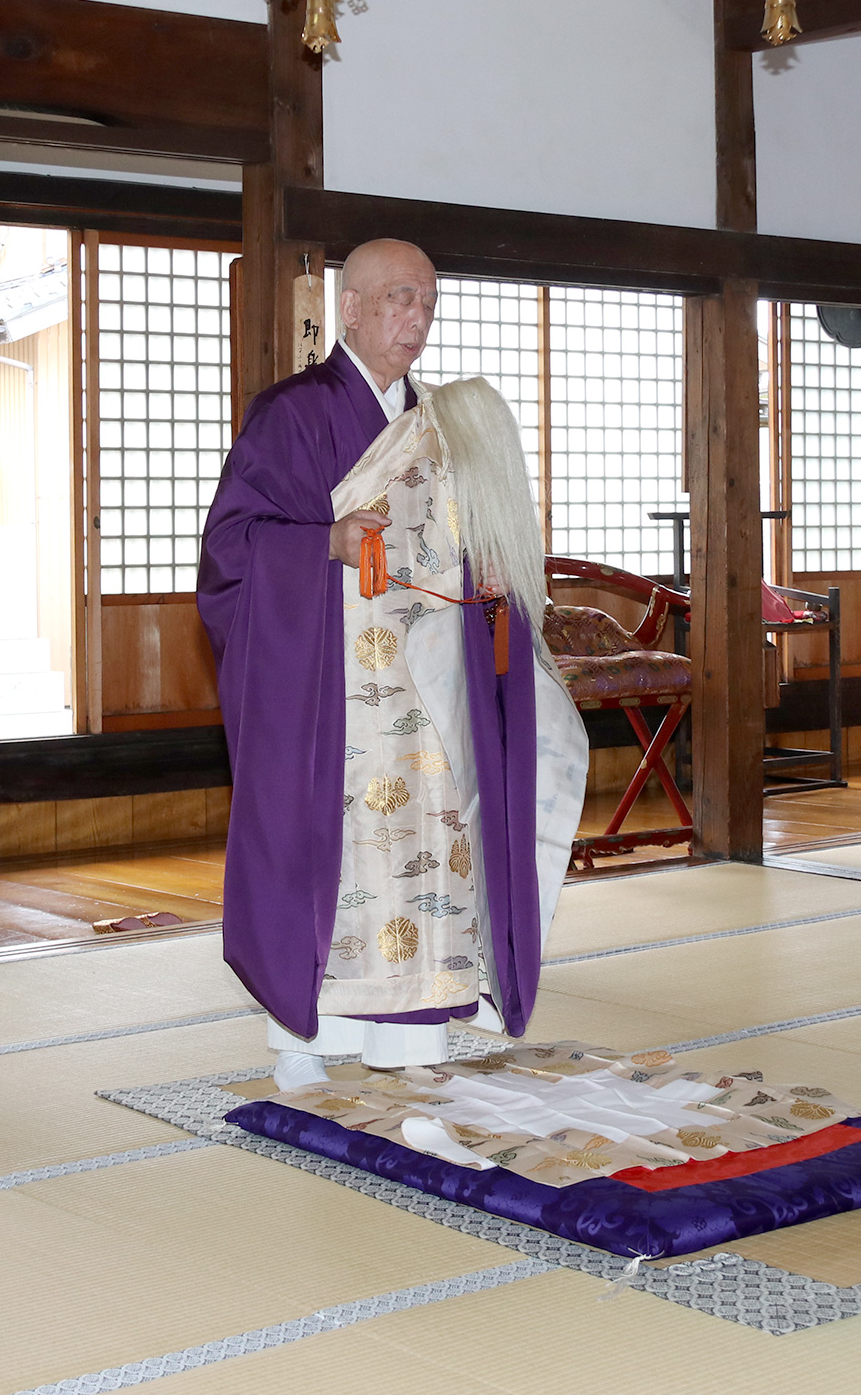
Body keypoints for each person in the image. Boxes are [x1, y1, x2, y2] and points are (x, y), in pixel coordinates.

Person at [198, 239, 587, 1092]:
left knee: (427, 848)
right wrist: (323, 544)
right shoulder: (291, 414)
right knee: (329, 852)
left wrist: (489, 569)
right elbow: (231, 548)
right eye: (398, 300)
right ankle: (309, 1034)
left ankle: (413, 1032)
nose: (416, 319)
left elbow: (472, 538)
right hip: (331, 687)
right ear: (351, 306)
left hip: (430, 684)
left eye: (428, 303)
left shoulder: (447, 423)